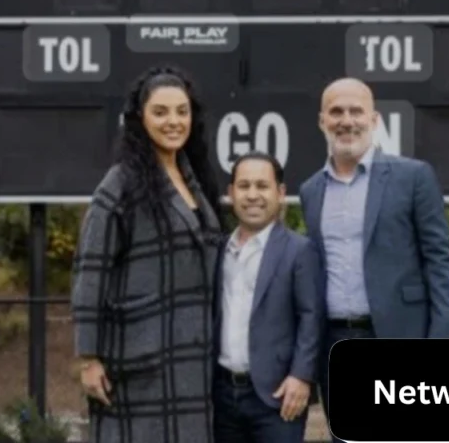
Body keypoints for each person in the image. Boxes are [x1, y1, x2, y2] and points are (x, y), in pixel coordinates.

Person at [298, 78, 449, 440]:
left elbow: (441, 264)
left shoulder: (414, 177)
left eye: (356, 111)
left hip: (400, 334)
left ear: (374, 120)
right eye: (337, 111)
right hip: (335, 342)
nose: (347, 120)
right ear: (322, 121)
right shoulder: (311, 191)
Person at [71, 66, 226, 443]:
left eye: (182, 111)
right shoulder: (120, 183)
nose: (173, 121)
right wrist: (89, 358)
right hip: (139, 362)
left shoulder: (197, 179)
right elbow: (90, 272)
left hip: (193, 359)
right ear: (140, 118)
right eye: (161, 112)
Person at [213, 152, 323, 443]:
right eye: (244, 186)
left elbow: (311, 318)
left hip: (277, 397)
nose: (252, 195)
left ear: (281, 193)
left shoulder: (299, 251)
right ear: (231, 192)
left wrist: (301, 377)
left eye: (262, 186)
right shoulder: (218, 250)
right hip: (222, 396)